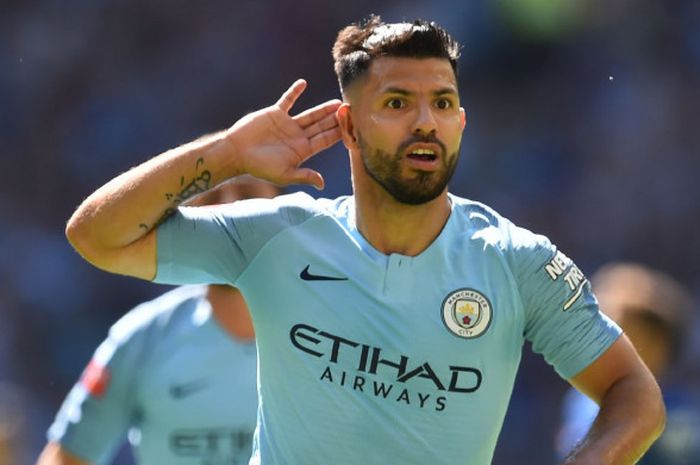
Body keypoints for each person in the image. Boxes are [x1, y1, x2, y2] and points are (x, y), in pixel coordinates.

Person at [63, 15, 665, 465]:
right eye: (398, 102)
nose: (425, 120)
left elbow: (633, 393)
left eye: (443, 102)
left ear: (461, 124)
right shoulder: (280, 238)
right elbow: (97, 236)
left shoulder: (516, 261)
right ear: (348, 126)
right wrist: (227, 155)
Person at [37, 177, 279, 465]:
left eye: (247, 194)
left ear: (285, 213)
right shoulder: (142, 337)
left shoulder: (328, 324)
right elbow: (66, 458)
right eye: (212, 198)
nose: (228, 208)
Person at [556, 262, 700, 465]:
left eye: (614, 327)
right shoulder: (581, 399)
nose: (596, 338)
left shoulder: (677, 415)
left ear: (655, 346)